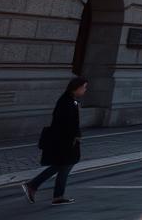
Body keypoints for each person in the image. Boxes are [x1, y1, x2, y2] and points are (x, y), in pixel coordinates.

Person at [22, 77, 86, 205]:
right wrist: (75, 136)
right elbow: (66, 123)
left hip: (67, 140)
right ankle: (33, 185)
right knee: (63, 164)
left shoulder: (70, 100)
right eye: (84, 87)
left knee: (64, 165)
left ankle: (56, 195)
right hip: (64, 141)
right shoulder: (66, 102)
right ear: (77, 88)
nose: (85, 90)